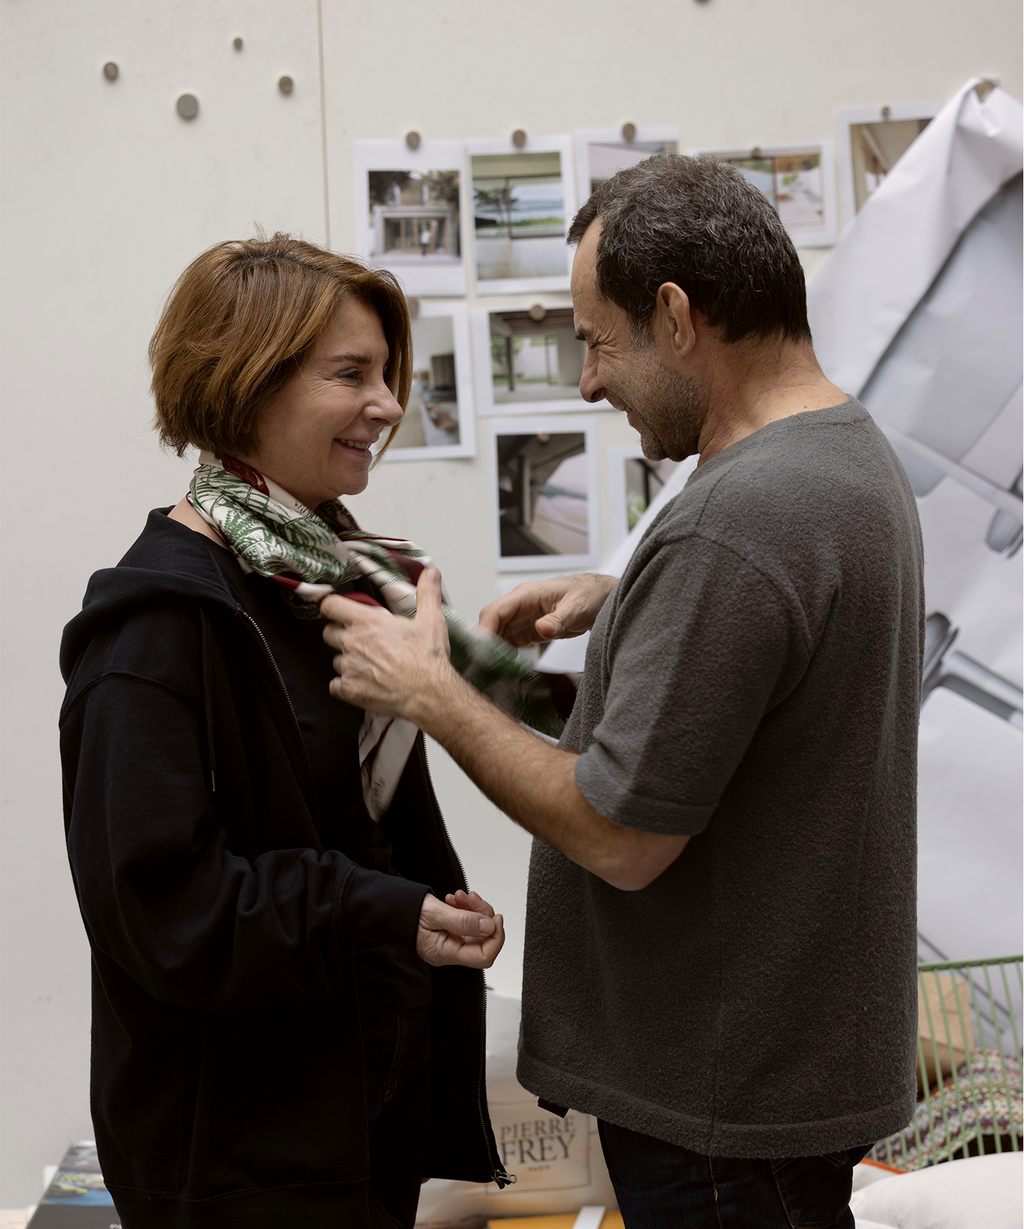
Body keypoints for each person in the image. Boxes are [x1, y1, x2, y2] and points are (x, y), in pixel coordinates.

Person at [321, 155, 924, 1229]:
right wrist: (639, 600)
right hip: (774, 1085)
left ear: (677, 316)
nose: (590, 384)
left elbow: (619, 832)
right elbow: (786, 668)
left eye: (596, 342)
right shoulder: (840, 456)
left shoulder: (738, 527)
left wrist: (431, 693)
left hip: (721, 1115)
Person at [59, 236, 517, 1229]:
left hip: (356, 1132)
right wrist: (383, 911)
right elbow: (166, 911)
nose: (389, 405)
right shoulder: (155, 628)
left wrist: (424, 905)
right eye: (351, 373)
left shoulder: (330, 590)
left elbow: (350, 835)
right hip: (241, 1167)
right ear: (243, 381)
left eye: (388, 374)